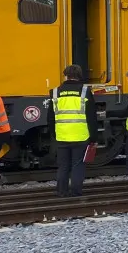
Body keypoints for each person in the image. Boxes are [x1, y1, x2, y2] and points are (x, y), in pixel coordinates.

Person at [52, 64, 95, 198]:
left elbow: (50, 117)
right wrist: (94, 138)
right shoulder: (85, 91)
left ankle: (61, 191)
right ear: (79, 76)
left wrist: (54, 134)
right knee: (77, 165)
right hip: (80, 135)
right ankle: (76, 191)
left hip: (62, 135)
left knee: (63, 166)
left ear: (65, 75)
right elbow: (91, 116)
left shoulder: (55, 92)